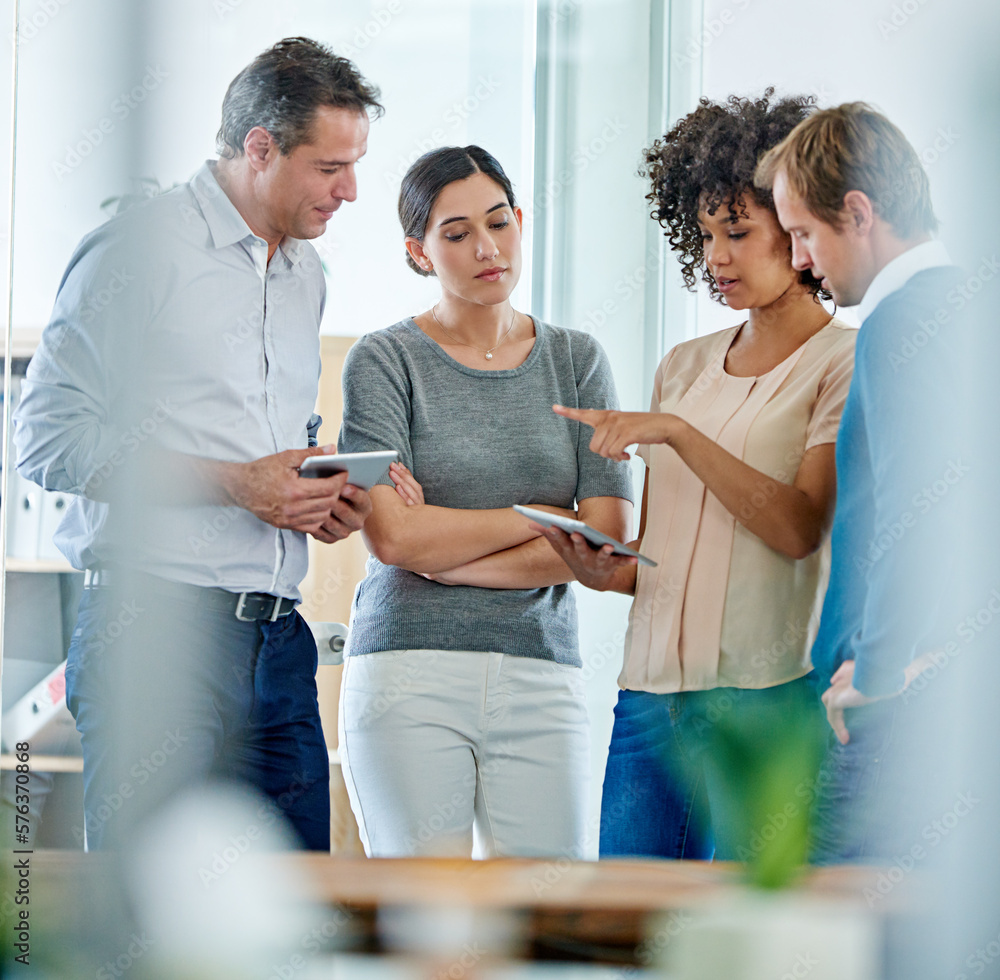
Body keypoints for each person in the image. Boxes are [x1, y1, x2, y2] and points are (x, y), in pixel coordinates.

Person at [12, 37, 381, 851]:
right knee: (150, 920)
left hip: (279, 641)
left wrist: (318, 494)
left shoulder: (305, 275)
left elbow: (266, 445)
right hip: (156, 626)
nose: (350, 191)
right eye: (330, 167)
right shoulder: (137, 252)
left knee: (296, 916)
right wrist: (235, 484)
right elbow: (45, 438)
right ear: (260, 148)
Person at [539, 91, 856, 861]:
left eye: (739, 232)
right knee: (621, 939)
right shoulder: (680, 366)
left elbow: (797, 526)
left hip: (765, 701)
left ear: (795, 222)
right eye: (706, 233)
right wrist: (608, 572)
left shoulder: (843, 361)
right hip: (650, 700)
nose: (716, 257)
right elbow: (670, 549)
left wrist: (679, 434)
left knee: (739, 946)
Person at [336, 145, 634, 859]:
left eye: (499, 223)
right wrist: (540, 520)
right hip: (407, 669)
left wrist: (448, 550)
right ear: (418, 251)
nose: (486, 248)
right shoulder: (384, 361)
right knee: (426, 929)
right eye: (457, 233)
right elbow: (397, 543)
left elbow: (604, 540)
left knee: (550, 924)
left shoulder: (577, 360)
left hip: (541, 670)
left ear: (521, 221)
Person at [756, 103, 968, 864]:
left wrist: (880, 669)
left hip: (885, 711)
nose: (803, 260)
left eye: (805, 234)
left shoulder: (900, 321)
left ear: (859, 212)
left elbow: (921, 509)